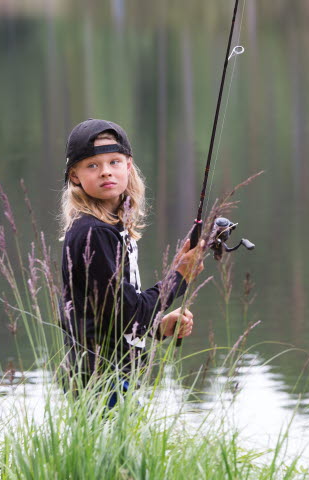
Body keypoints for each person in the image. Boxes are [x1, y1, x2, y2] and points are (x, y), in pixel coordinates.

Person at [58, 118, 204, 404]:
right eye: (92, 165)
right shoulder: (94, 233)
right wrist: (179, 277)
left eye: (114, 162)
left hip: (108, 375)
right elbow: (128, 313)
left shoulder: (110, 229)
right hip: (104, 380)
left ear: (128, 166)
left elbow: (111, 315)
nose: (105, 172)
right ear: (74, 176)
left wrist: (158, 327)